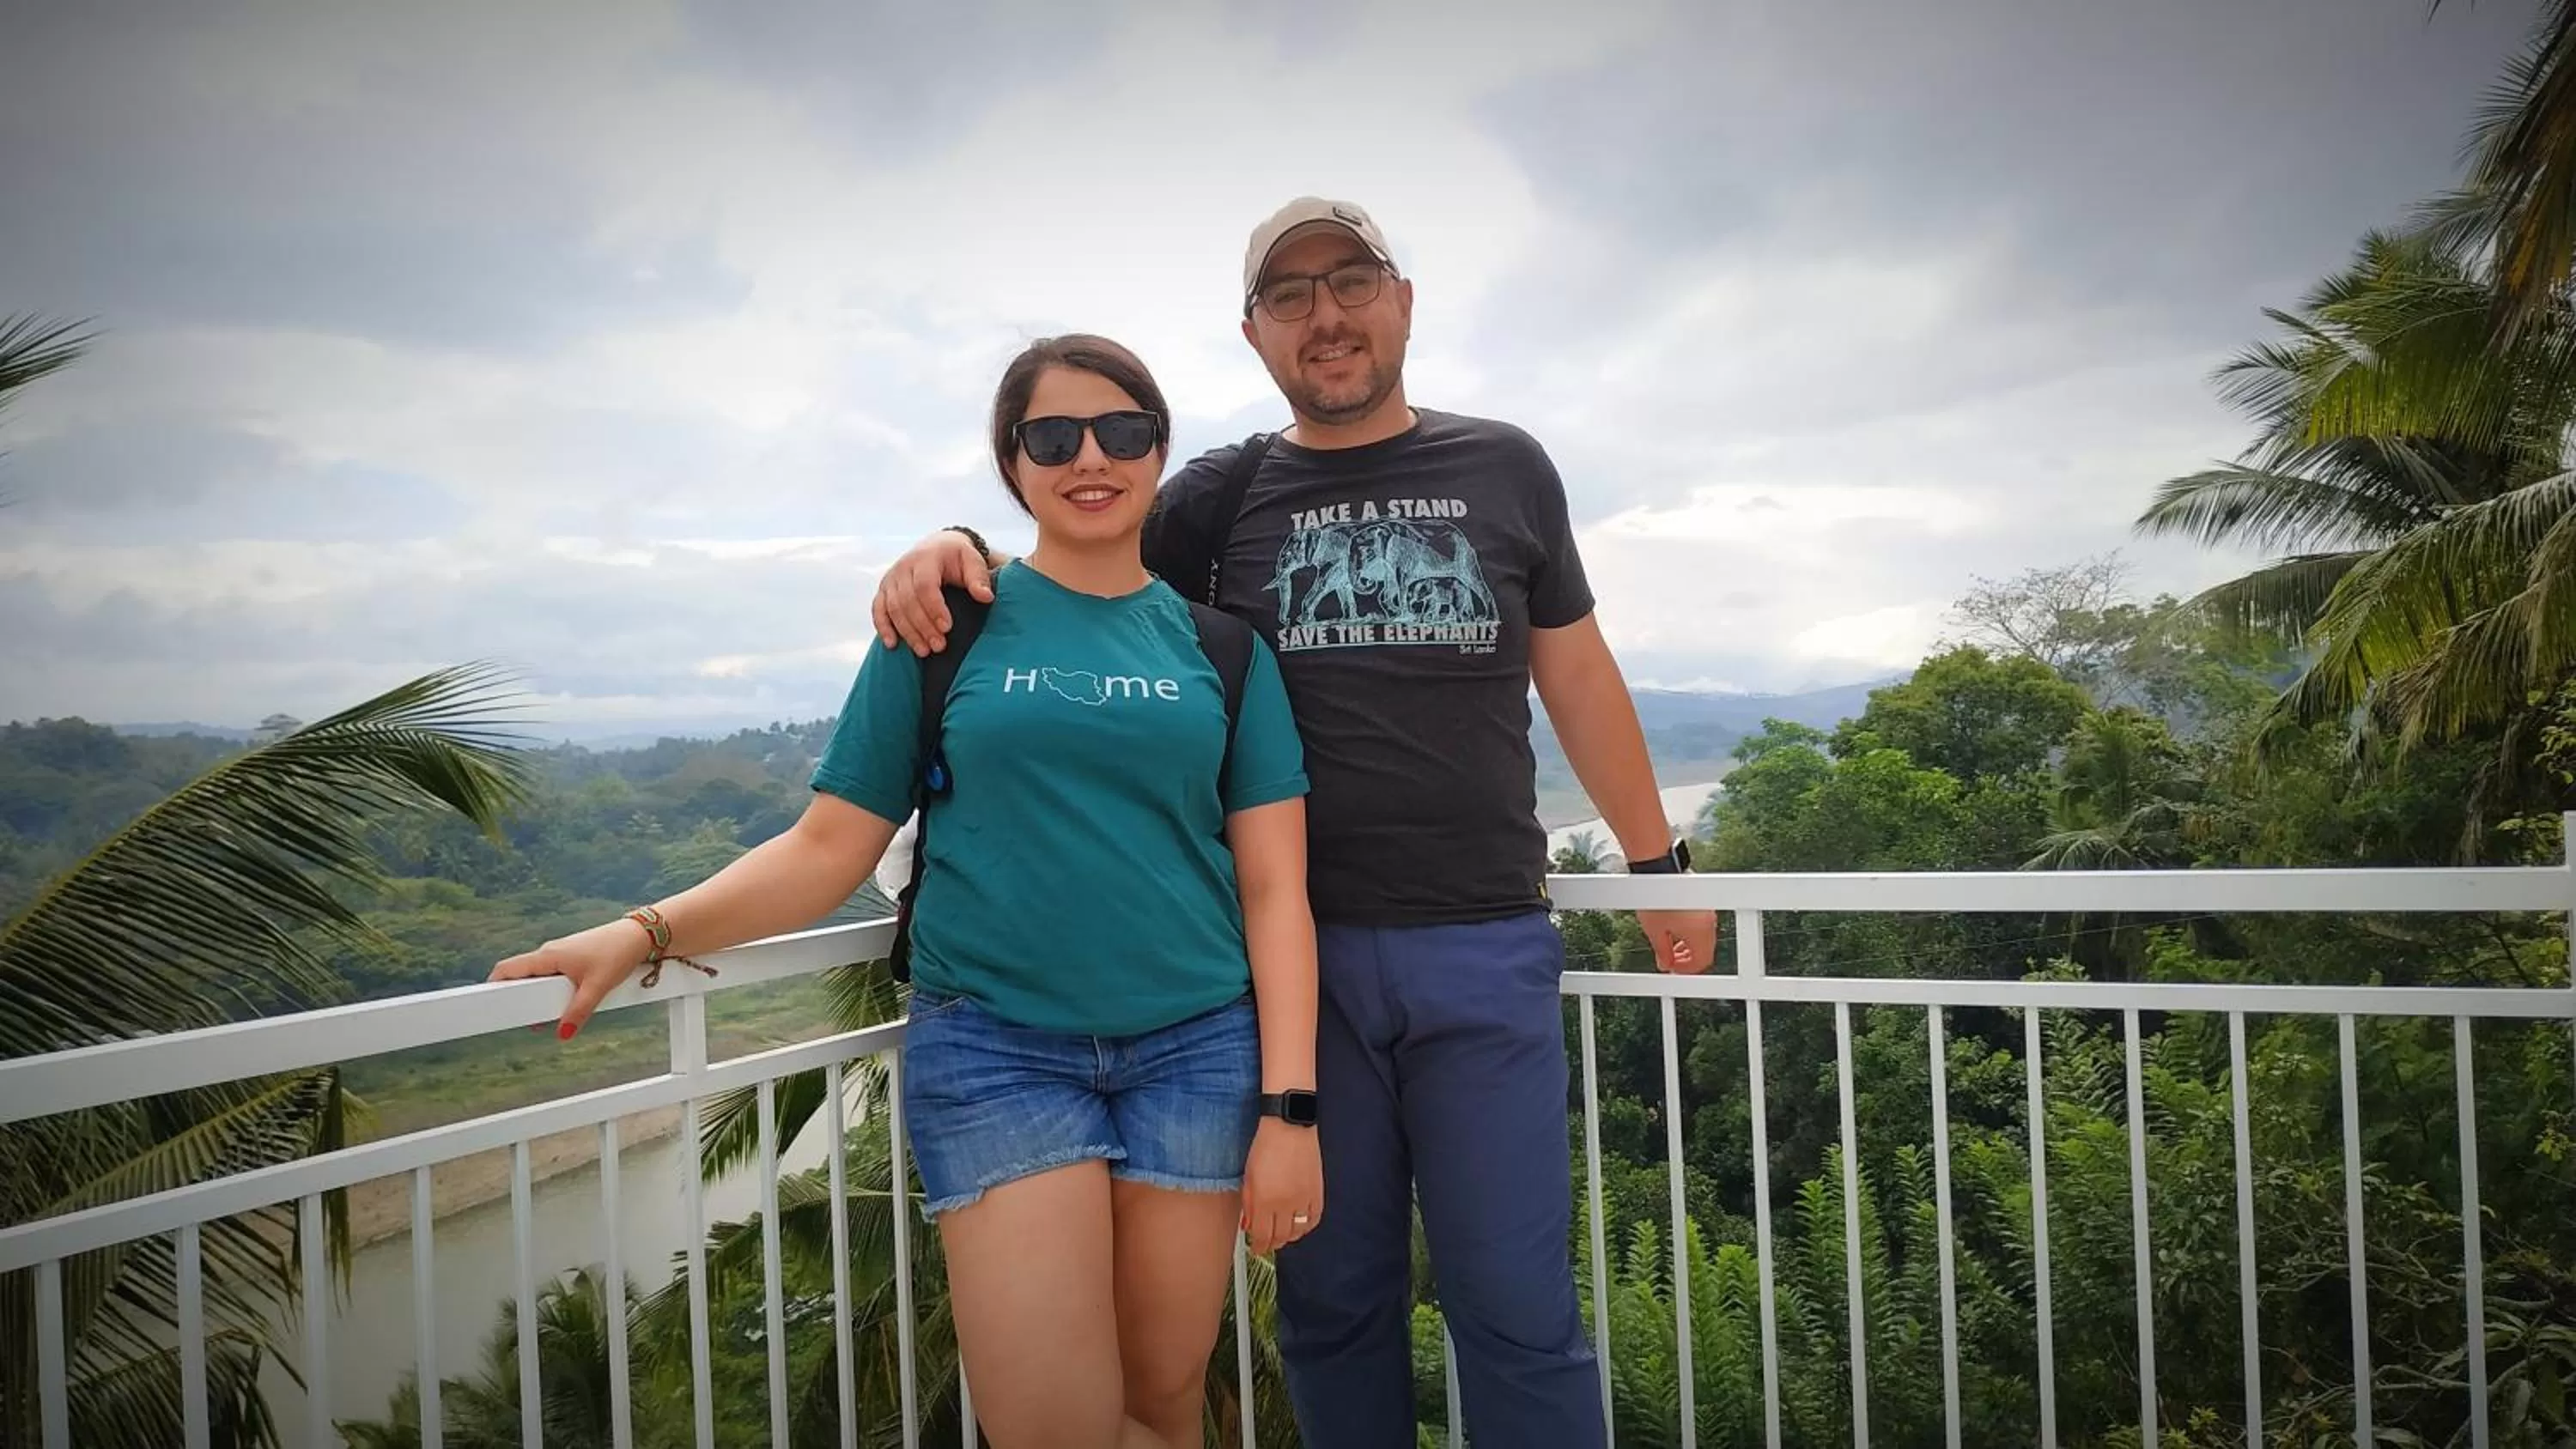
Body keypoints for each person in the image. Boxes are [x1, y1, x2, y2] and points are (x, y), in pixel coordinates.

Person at [867, 199, 1722, 1449]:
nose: (1327, 314)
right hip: (1292, 966)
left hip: (1481, 941)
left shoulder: (1506, 465)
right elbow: (1071, 548)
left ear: (1403, 300)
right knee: (1332, 1305)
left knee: (1520, 1308)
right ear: (1258, 336)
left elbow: (1577, 677)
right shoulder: (1220, 494)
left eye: (1352, 280)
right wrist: (951, 548)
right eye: (1291, 295)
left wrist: (1660, 867)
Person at [492, 333, 1325, 1449]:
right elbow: (830, 844)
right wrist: (646, 931)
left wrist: (1291, 1113)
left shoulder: (1224, 652)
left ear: (1159, 450)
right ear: (1012, 461)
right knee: (1057, 1427)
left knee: (1164, 1396)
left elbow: (1275, 892)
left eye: (1123, 431)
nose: (1092, 455)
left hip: (1196, 1050)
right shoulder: (946, 625)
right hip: (998, 1054)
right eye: (1053, 434)